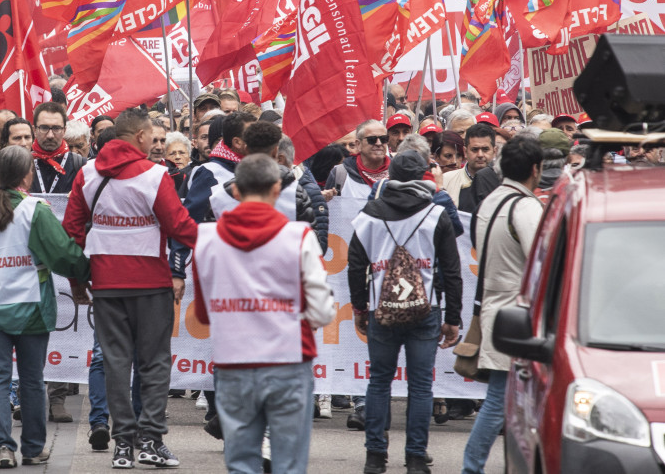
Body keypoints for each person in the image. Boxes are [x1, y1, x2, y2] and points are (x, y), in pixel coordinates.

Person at [63, 108, 198, 468]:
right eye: (152, 137)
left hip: (106, 283)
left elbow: (72, 232)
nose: (156, 143)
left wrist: (78, 282)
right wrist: (223, 244)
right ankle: (150, 440)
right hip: (151, 282)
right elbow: (179, 224)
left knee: (115, 363)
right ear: (140, 136)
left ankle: (123, 444)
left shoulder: (87, 173)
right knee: (154, 364)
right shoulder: (155, 175)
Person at [192, 154, 336, 474]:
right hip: (289, 363)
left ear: (237, 191)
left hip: (234, 364)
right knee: (288, 463)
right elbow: (323, 312)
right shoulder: (300, 237)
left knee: (241, 462)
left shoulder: (205, 239)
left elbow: (203, 315)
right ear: (275, 189)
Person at [0, 146, 90, 469]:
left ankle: (2, 446)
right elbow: (63, 254)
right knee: (31, 378)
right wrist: (87, 272)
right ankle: (32, 447)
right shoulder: (35, 210)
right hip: (33, 307)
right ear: (28, 174)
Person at [347, 151, 462, 474]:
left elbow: (355, 265)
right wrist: (452, 318)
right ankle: (414, 458)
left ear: (392, 175)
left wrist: (360, 307)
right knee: (422, 385)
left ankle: (374, 457)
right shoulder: (436, 214)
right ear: (425, 176)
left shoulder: (370, 213)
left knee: (379, 382)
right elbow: (451, 272)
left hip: (381, 310)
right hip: (426, 311)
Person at [459, 137, 543, 474]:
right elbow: (542, 260)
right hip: (516, 315)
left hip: (497, 309)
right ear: (535, 170)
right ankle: (471, 468)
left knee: (506, 403)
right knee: (498, 401)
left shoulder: (492, 200)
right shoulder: (524, 206)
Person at [29, 102, 85, 422]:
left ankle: (59, 396)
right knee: (31, 330)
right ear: (35, 128)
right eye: (44, 128)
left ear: (65, 130)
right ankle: (29, 394)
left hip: (66, 255)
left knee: (65, 328)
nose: (50, 135)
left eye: (56, 129)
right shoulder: (23, 162)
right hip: (30, 259)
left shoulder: (78, 163)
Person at [442, 122, 500, 215]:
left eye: (485, 149)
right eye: (475, 149)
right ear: (465, 151)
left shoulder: (503, 181)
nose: (480, 155)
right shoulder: (446, 180)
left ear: (494, 151)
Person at [327, 119, 390, 199]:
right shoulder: (340, 173)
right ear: (358, 144)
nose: (378, 143)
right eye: (372, 139)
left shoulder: (398, 171)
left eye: (383, 139)